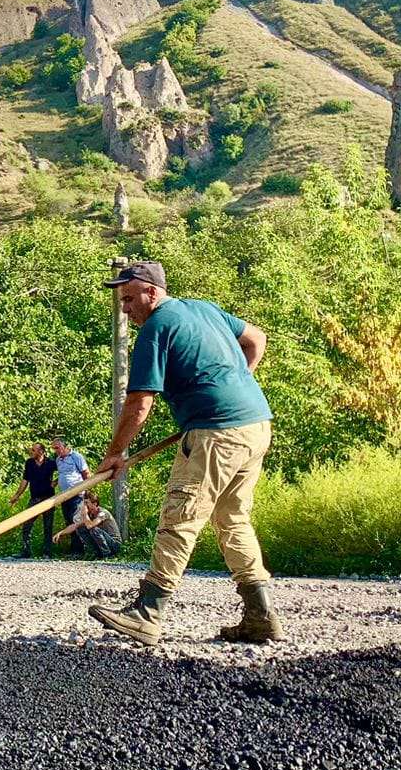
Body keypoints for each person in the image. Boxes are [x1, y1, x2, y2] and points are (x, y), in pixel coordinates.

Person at [87, 261, 280, 647]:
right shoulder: (204, 309)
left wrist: (115, 454)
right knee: (233, 520)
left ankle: (148, 613)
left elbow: (140, 402)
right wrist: (235, 384)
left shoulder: (157, 327)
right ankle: (260, 617)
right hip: (256, 424)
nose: (125, 309)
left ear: (151, 292)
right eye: (122, 301)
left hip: (216, 432)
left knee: (181, 516)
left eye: (129, 299)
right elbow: (256, 339)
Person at [8, 443, 57, 558]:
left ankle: (47, 553)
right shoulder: (29, 463)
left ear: (41, 451)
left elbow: (65, 472)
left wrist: (56, 481)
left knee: (48, 526)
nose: (31, 452)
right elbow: (25, 480)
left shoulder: (51, 462)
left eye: (34, 450)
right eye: (32, 450)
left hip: (48, 498)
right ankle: (26, 551)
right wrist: (17, 495)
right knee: (27, 524)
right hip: (34, 498)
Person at [50, 438, 90, 555]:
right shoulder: (58, 459)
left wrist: (86, 490)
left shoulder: (76, 456)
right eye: (54, 448)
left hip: (77, 495)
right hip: (64, 495)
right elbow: (64, 474)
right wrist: (56, 481)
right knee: (68, 521)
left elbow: (86, 473)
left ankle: (80, 550)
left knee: (76, 521)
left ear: (64, 446)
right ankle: (74, 549)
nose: (55, 450)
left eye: (57, 447)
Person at [55, 491, 123, 559]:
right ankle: (96, 553)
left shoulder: (103, 513)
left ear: (95, 504)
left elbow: (90, 526)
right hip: (104, 542)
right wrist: (61, 533)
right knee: (80, 528)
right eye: (84, 503)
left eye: (86, 503)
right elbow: (75, 525)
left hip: (114, 544)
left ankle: (107, 555)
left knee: (93, 529)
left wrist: (84, 513)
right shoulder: (90, 515)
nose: (85, 505)